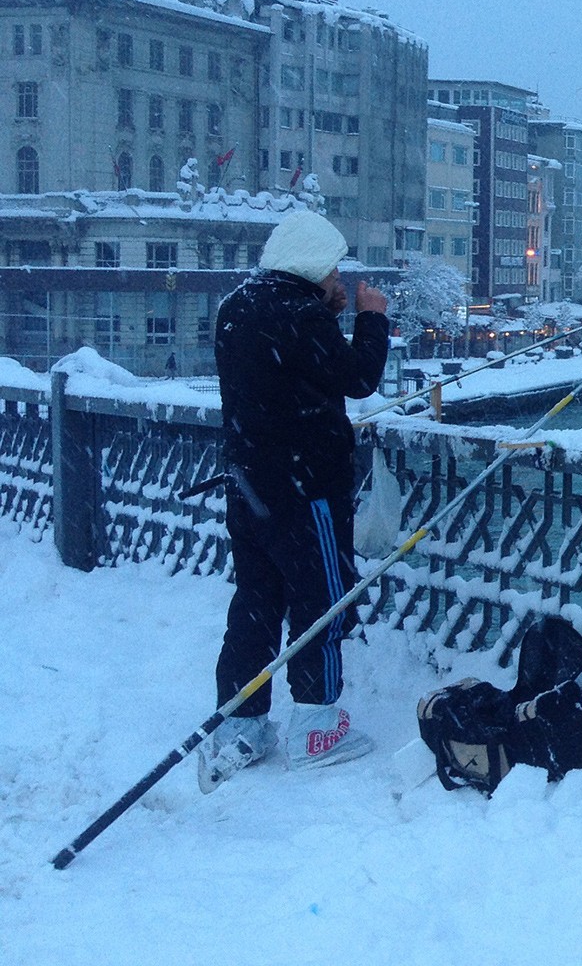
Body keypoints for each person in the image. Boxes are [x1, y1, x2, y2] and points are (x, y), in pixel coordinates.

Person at [198, 210, 390, 791]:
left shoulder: (239, 307)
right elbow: (357, 378)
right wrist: (371, 319)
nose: (337, 279)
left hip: (250, 487)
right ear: (311, 263)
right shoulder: (301, 313)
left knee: (256, 600)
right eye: (333, 269)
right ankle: (316, 727)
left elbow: (287, 374)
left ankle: (240, 725)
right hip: (308, 492)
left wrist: (327, 313)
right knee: (320, 603)